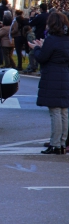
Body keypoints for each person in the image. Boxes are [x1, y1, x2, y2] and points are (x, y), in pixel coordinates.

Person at [29, 12, 69, 155]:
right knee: (64, 111)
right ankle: (63, 143)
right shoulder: (66, 39)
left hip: (52, 77)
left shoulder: (52, 40)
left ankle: (55, 143)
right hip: (65, 76)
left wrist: (37, 48)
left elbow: (42, 57)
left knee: (55, 112)